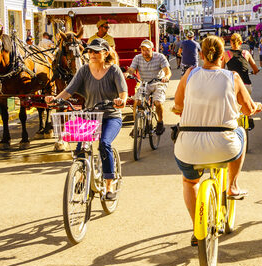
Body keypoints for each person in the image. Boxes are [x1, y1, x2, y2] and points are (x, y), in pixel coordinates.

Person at [172, 36, 262, 246]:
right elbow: (248, 110)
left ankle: (197, 228)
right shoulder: (233, 78)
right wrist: (256, 107)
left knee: (190, 181)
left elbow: (178, 106)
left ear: (201, 55)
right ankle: (232, 185)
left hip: (188, 147)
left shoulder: (189, 74)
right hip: (224, 146)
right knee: (241, 131)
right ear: (223, 57)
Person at [47, 39, 127, 200]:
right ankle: (83, 175)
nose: (92, 54)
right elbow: (69, 91)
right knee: (80, 149)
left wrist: (121, 100)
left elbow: (123, 92)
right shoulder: (84, 70)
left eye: (97, 52)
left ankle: (109, 184)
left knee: (104, 144)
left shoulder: (114, 71)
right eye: (90, 51)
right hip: (90, 115)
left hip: (111, 116)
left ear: (105, 53)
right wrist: (55, 99)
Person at [127, 39, 171, 135]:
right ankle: (136, 126)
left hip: (158, 83)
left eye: (147, 50)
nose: (145, 52)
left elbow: (167, 71)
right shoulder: (137, 58)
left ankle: (160, 122)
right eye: (142, 50)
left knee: (157, 102)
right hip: (145, 83)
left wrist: (166, 77)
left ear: (152, 49)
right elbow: (131, 69)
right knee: (137, 102)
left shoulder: (160, 57)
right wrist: (128, 73)